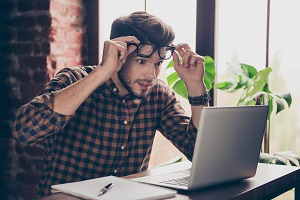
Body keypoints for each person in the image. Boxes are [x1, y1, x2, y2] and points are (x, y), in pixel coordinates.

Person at [11, 11, 210, 196]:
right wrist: (102, 72)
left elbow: (199, 153)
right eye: (141, 61)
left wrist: (195, 87)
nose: (151, 75)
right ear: (119, 52)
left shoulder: (158, 95)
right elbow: (23, 133)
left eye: (157, 64)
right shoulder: (74, 79)